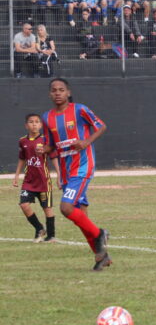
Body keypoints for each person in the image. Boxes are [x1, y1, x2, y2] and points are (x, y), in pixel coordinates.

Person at [40, 78, 111, 271]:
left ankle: (101, 234)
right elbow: (51, 144)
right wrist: (43, 149)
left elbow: (101, 126)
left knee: (66, 207)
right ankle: (101, 256)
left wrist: (86, 142)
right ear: (49, 94)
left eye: (61, 90)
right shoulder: (47, 117)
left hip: (82, 167)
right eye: (54, 90)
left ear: (68, 92)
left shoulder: (80, 110)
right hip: (66, 171)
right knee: (81, 218)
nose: (57, 93)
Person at [14, 113, 59, 243]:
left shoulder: (45, 140)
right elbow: (22, 158)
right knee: (24, 205)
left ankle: (51, 236)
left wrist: (59, 176)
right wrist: (17, 175)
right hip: (29, 181)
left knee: (47, 208)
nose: (34, 124)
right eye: (31, 122)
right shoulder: (22, 141)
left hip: (43, 180)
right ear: (26, 125)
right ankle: (39, 228)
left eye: (37, 122)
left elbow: (54, 157)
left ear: (40, 125)